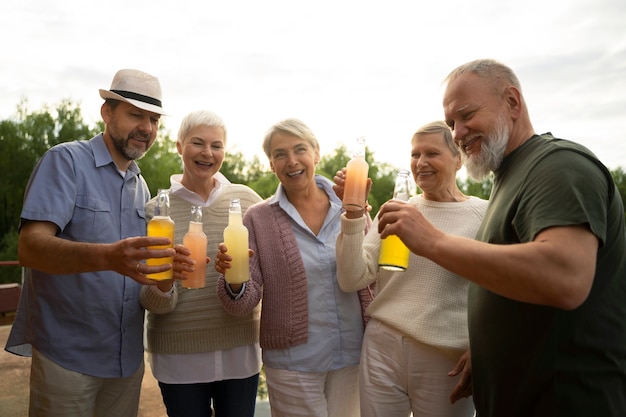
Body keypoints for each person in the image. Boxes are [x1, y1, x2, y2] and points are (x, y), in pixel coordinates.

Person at [377, 59, 626, 416]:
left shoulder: (559, 166)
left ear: (512, 102)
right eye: (451, 123)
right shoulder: (508, 178)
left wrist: (432, 241)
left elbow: (565, 276)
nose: (458, 133)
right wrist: (485, 348)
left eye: (467, 115)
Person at [5, 69, 189, 417]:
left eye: (153, 119)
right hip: (67, 359)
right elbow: (30, 247)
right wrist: (109, 257)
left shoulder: (142, 186)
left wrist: (166, 276)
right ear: (107, 113)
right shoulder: (66, 161)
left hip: (125, 362)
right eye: (135, 114)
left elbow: (139, 272)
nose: (147, 128)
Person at [214, 118, 373, 417]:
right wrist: (233, 280)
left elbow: (370, 276)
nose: (291, 161)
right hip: (293, 363)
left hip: (354, 355)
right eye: (279, 154)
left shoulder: (351, 207)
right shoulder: (257, 219)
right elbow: (242, 304)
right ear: (271, 165)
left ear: (316, 154)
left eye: (300, 149)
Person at [334, 120, 486, 417]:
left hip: (446, 356)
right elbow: (352, 278)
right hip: (382, 347)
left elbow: (500, 290)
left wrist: (483, 348)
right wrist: (352, 212)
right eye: (415, 154)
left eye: (432, 153)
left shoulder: (483, 214)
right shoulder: (396, 208)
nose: (421, 162)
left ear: (459, 159)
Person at [139, 110, 263, 417]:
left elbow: (263, 275)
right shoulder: (156, 210)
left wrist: (238, 278)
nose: (208, 153)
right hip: (178, 356)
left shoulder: (247, 202)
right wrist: (165, 282)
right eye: (198, 143)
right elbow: (146, 298)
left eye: (216, 145)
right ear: (179, 146)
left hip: (240, 352)